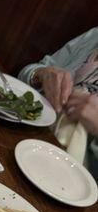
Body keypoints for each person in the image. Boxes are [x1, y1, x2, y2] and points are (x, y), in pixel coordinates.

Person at [18, 27, 98, 181]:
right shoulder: (94, 36)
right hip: (26, 138)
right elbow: (25, 75)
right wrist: (40, 75)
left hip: (71, 182)